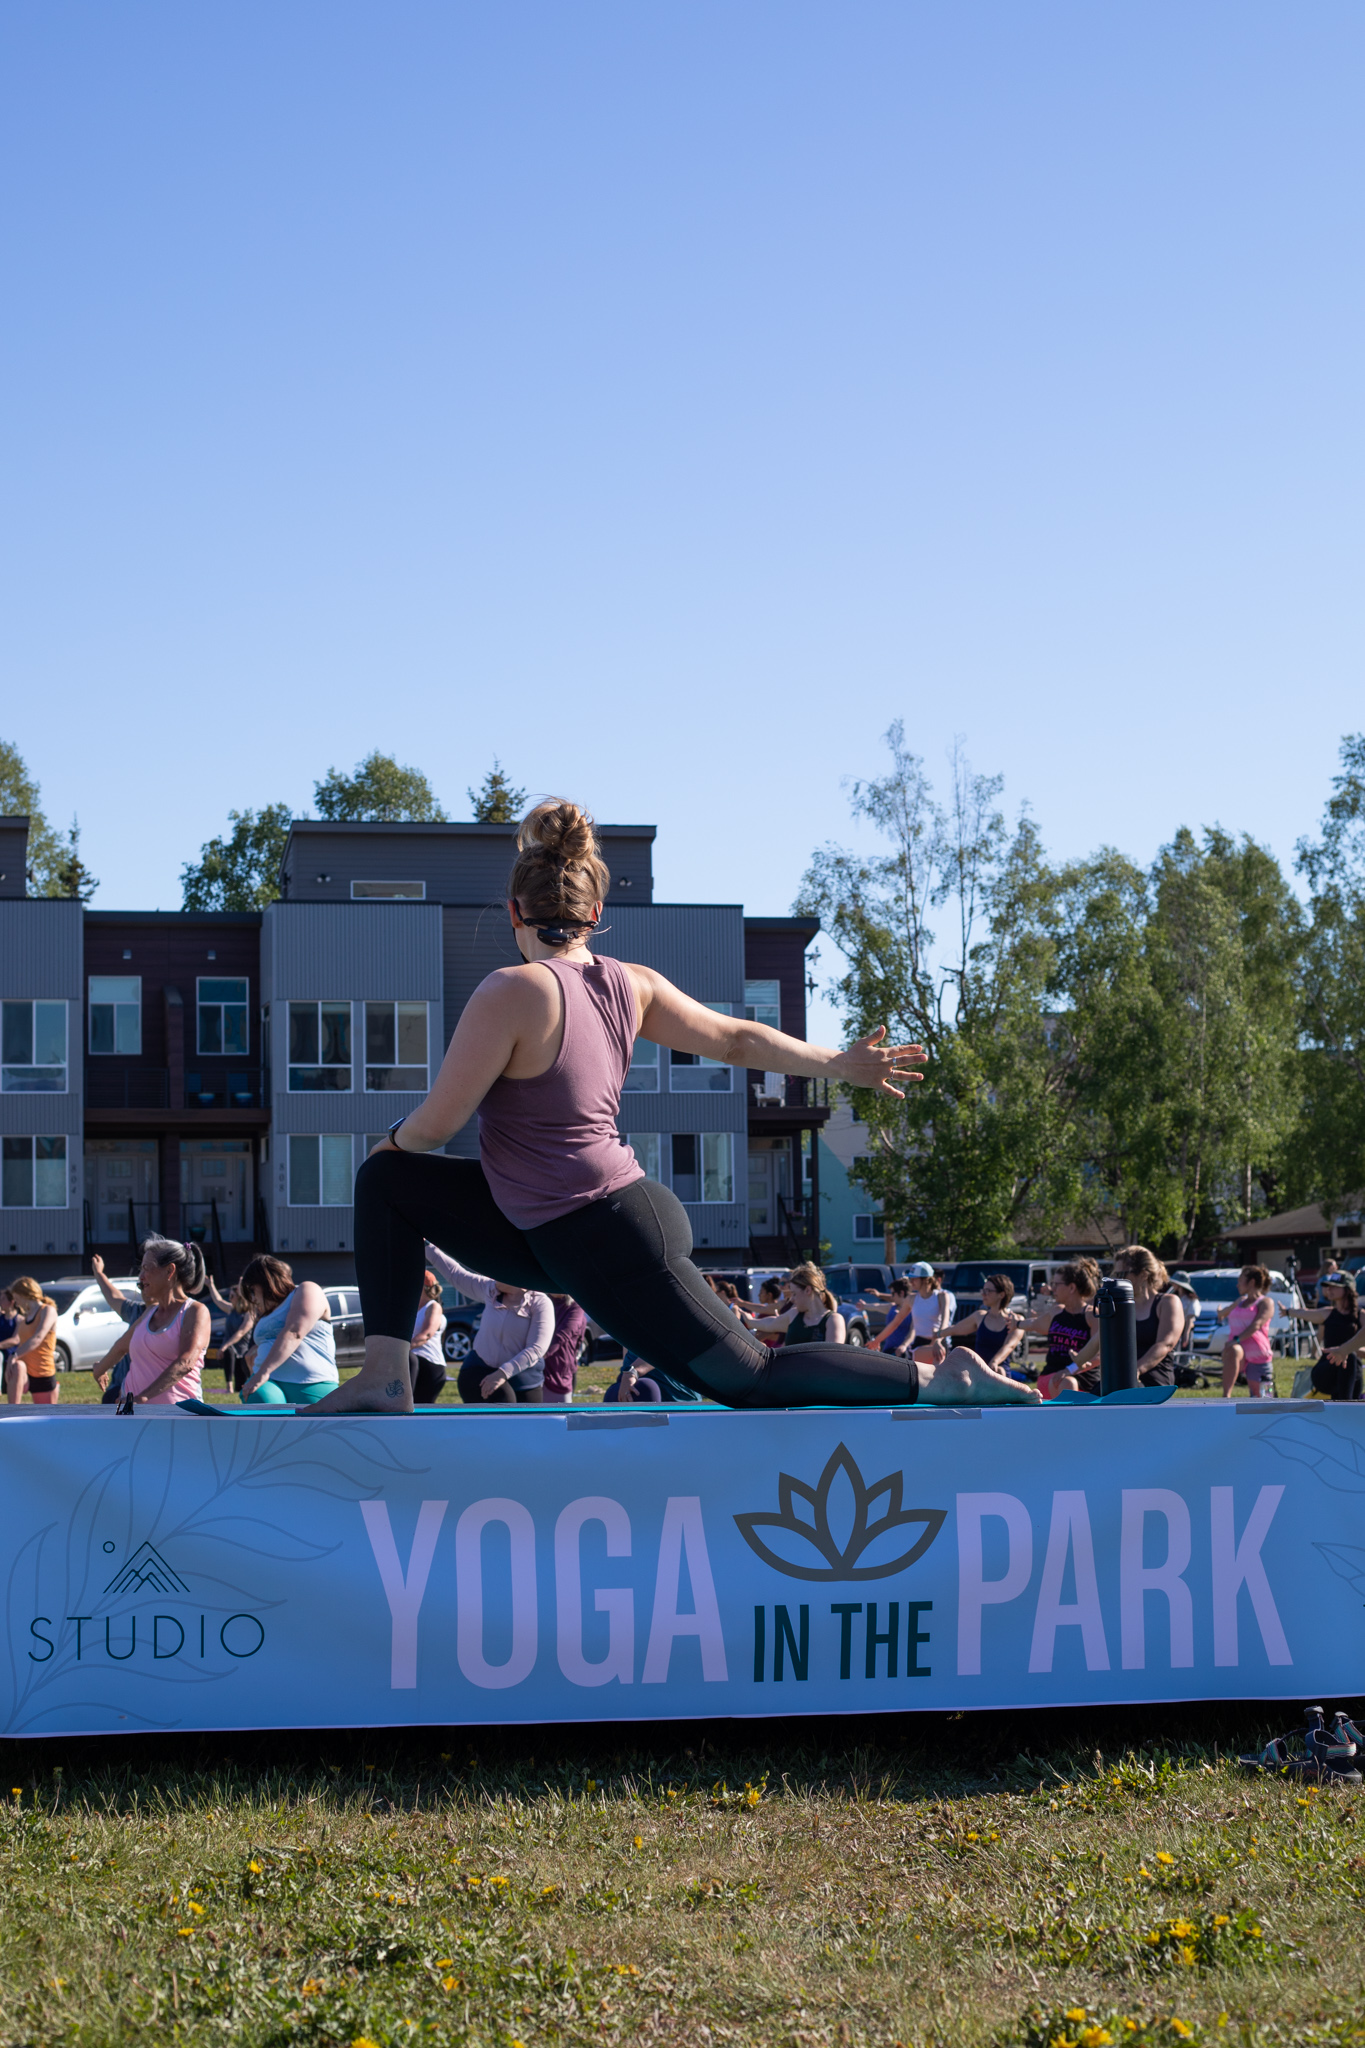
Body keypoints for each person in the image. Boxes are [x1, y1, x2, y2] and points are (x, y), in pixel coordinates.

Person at [314, 798, 1037, 1414]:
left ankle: (939, 1376)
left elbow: (436, 1125)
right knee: (390, 1185)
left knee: (749, 1380)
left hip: (607, 1231)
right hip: (551, 1228)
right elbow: (733, 1037)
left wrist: (390, 1141)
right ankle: (384, 1378)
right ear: (595, 912)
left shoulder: (512, 990)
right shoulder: (631, 983)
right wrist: (836, 1064)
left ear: (514, 912)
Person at [423, 1242, 553, 1403]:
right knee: (504, 1401)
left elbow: (536, 1348)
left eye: (498, 1271)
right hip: (480, 1369)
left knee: (528, 1425)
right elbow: (455, 1274)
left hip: (523, 1379)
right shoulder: (490, 1288)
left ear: (516, 1275)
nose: (492, 1275)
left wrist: (502, 1373)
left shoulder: (540, 1303)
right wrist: (427, 1246)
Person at [92, 1238, 210, 1407]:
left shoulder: (195, 1311)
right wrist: (99, 1369)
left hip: (178, 1415)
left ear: (169, 1271)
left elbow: (186, 1362)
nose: (141, 1277)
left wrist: (142, 1398)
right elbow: (122, 1346)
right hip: (133, 1414)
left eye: (147, 1269)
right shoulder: (150, 1312)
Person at [236, 1254, 339, 1406]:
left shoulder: (307, 1290)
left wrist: (263, 1372)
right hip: (268, 1383)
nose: (252, 1298)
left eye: (252, 1290)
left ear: (267, 1282)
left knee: (315, 1427)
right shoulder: (265, 1314)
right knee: (261, 1401)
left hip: (312, 1382)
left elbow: (294, 1332)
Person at [1024, 1259, 1102, 1397]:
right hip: (1053, 1376)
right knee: (1068, 1384)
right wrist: (1016, 1323)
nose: (1052, 1288)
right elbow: (1033, 1323)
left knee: (1069, 1383)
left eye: (1056, 1284)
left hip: (1086, 1380)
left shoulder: (1093, 1315)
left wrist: (1070, 1369)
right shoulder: (1056, 1312)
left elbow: (1098, 1355)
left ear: (1072, 1288)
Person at [1109, 1245, 1183, 1389]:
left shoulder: (1168, 1302)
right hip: (1124, 1378)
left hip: (1154, 1380)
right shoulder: (1119, 1305)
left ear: (1143, 1274)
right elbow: (1100, 1340)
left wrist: (1135, 1370)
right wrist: (1072, 1368)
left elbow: (1165, 1344)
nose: (1118, 1280)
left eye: (1122, 1274)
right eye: (1115, 1275)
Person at [1283, 1274, 1364, 1401]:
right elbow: (1305, 1313)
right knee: (1346, 1361)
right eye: (1328, 1286)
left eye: (1335, 1286)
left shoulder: (1360, 1316)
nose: (1329, 1289)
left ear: (1348, 1290)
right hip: (1326, 1371)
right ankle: (1346, 1404)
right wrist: (1287, 1311)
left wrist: (1346, 1351)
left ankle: (1344, 1406)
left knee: (1350, 1358)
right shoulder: (1327, 1313)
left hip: (1352, 1374)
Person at [744, 1263, 848, 1347]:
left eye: (794, 1294)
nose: (792, 1299)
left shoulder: (833, 1319)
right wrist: (749, 1321)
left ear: (808, 1290)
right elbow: (770, 1323)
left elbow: (833, 1357)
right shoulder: (794, 1315)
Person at [947, 1274, 1025, 1377]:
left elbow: (1009, 1345)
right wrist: (938, 1336)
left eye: (988, 1291)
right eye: (983, 1290)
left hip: (999, 1373)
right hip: (979, 1373)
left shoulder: (1015, 1320)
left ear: (1001, 1295)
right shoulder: (979, 1316)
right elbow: (954, 1329)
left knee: (1000, 1371)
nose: (983, 1294)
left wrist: (994, 1362)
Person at [1217, 1264, 1275, 1399]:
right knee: (1234, 1350)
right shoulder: (1240, 1301)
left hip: (1259, 1356)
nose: (1237, 1285)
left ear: (1252, 1282)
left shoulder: (1266, 1302)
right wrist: (1220, 1311)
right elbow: (1223, 1313)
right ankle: (1225, 1399)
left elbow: (1257, 1325)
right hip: (1238, 1353)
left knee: (1264, 1398)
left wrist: (1236, 1340)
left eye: (1240, 1281)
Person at [4, 1276, 60, 1405]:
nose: (16, 1303)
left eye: (17, 1298)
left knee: (47, 1419)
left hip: (42, 1373)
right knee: (18, 1366)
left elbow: (38, 1337)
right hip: (25, 1374)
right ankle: (12, 1412)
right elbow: (20, 1341)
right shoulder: (25, 1318)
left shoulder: (48, 1310)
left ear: (25, 1295)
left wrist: (15, 1355)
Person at [409, 1271, 448, 1405]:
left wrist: (400, 1349)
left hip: (430, 1365)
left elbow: (426, 1335)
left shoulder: (433, 1306)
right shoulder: (415, 1307)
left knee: (421, 1408)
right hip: (415, 1364)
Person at [541, 1293, 588, 1403]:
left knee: (560, 1414)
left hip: (560, 1371)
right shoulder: (541, 1299)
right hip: (538, 1369)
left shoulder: (576, 1306)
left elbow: (562, 1335)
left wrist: (536, 1356)